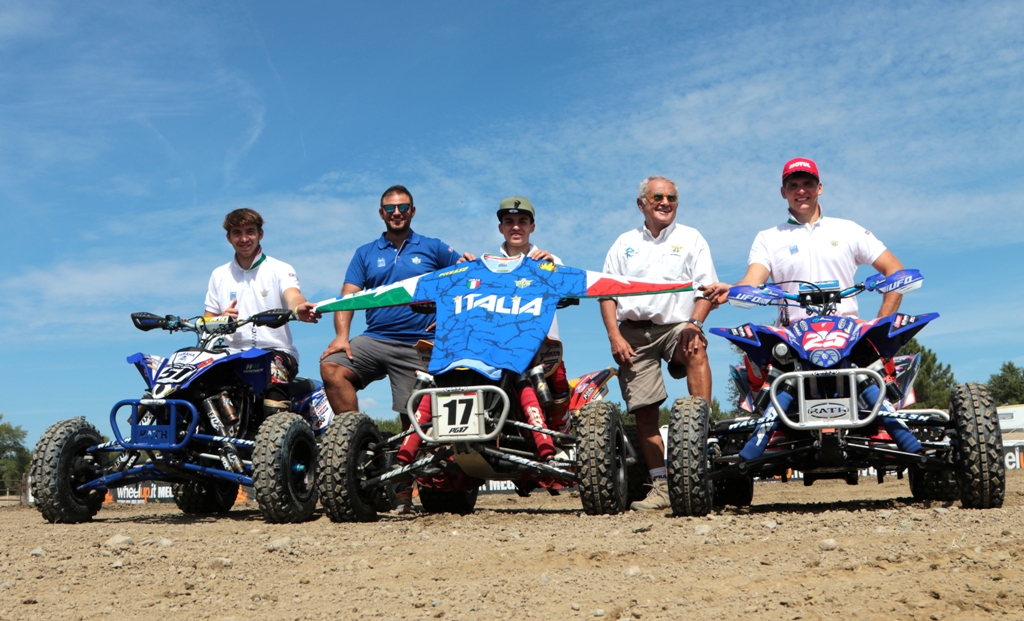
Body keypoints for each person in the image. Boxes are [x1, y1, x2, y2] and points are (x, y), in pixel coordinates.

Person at [702, 157, 921, 458]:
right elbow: (754, 279)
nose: (801, 191)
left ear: (820, 188)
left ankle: (889, 426)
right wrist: (734, 288)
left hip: (849, 332)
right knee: (756, 351)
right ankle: (770, 430)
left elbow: (895, 271)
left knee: (877, 353)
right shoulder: (769, 237)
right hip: (793, 336)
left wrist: (882, 321)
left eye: (807, 184)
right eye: (793, 185)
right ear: (783, 192)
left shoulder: (848, 229)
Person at [319, 185, 465, 513]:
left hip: (417, 344)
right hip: (375, 338)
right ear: (381, 213)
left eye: (403, 207)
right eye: (390, 208)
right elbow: (347, 296)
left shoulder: (434, 247)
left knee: (410, 417)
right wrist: (342, 335)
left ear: (413, 210)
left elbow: (466, 281)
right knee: (332, 366)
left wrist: (447, 322)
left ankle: (402, 498)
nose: (396, 213)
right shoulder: (366, 252)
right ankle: (358, 444)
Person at [600, 176, 718, 511]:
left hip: (676, 327)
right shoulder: (623, 243)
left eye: (672, 197)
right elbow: (606, 294)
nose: (666, 202)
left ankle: (703, 437)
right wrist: (615, 337)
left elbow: (707, 290)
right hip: (633, 332)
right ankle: (662, 486)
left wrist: (695, 324)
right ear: (642, 203)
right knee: (644, 411)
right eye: (658, 197)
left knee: (697, 346)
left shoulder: (691, 238)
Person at [461, 197, 572, 434]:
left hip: (543, 347)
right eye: (509, 221)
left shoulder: (550, 260)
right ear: (500, 228)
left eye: (523, 221)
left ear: (532, 227)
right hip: (498, 349)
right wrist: (460, 273)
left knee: (557, 382)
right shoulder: (485, 266)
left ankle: (563, 436)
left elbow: (569, 286)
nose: (516, 227)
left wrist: (553, 266)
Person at [204, 208, 319, 420]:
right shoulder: (219, 274)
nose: (244, 238)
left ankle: (279, 436)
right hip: (232, 354)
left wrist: (299, 308)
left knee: (273, 376)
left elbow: (293, 296)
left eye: (250, 231)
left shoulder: (279, 268)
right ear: (229, 238)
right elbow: (207, 320)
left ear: (260, 234)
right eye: (237, 233)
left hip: (276, 352)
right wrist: (222, 318)